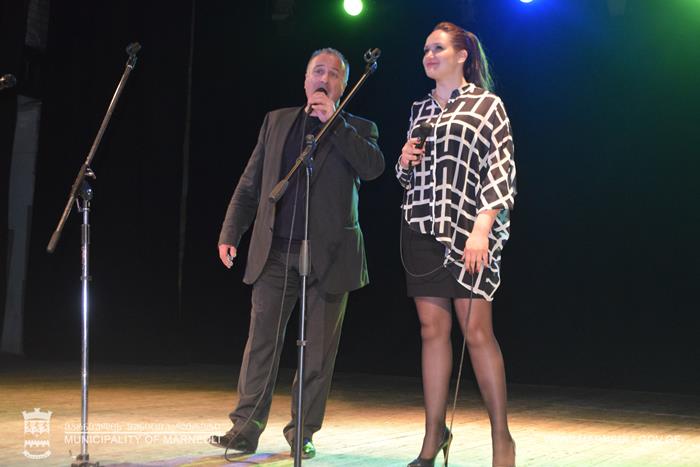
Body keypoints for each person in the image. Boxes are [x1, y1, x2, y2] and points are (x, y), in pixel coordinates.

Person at [210, 47, 384, 459]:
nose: (324, 79)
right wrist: (231, 230)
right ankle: (244, 429)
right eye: (317, 71)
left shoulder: (360, 127)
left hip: (332, 256)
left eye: (334, 74)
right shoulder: (276, 121)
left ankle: (302, 432)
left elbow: (373, 167)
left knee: (317, 353)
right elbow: (251, 182)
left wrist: (335, 123)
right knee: (261, 344)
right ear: (305, 81)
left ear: (343, 86)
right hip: (275, 252)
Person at [396, 22, 517, 467]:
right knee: (432, 332)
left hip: (469, 234)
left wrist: (482, 228)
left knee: (477, 333)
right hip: (421, 229)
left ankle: (502, 438)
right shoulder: (419, 109)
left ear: (462, 54)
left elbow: (501, 170)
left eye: (438, 48)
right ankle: (434, 436)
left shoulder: (487, 105)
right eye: (426, 49)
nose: (429, 55)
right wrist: (404, 160)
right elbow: (406, 177)